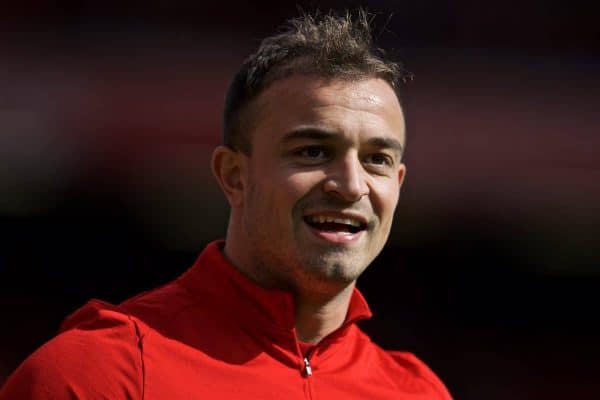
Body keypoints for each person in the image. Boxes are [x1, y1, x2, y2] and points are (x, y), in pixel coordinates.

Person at [0, 10, 452, 399]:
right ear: (234, 176)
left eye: (377, 159)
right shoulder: (96, 375)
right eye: (312, 151)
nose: (351, 185)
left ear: (398, 182)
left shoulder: (418, 391)